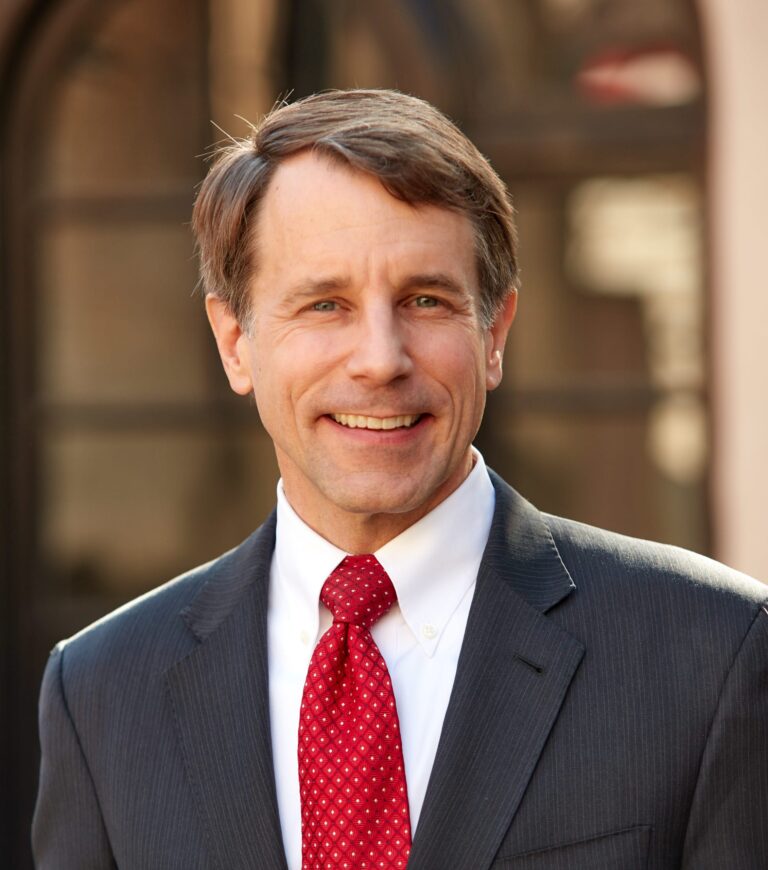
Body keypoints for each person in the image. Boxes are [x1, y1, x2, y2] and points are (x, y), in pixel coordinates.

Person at [33, 89, 767, 870]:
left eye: (425, 299)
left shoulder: (711, 655)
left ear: (495, 334)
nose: (381, 358)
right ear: (235, 342)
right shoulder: (101, 693)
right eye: (325, 304)